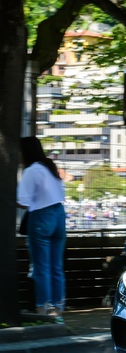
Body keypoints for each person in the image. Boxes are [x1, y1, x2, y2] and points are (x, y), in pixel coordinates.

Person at [17, 136, 67, 320]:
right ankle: (58, 307)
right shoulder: (50, 168)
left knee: (41, 266)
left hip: (41, 217)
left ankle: (43, 308)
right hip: (59, 215)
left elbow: (22, 202)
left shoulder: (31, 171)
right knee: (56, 266)